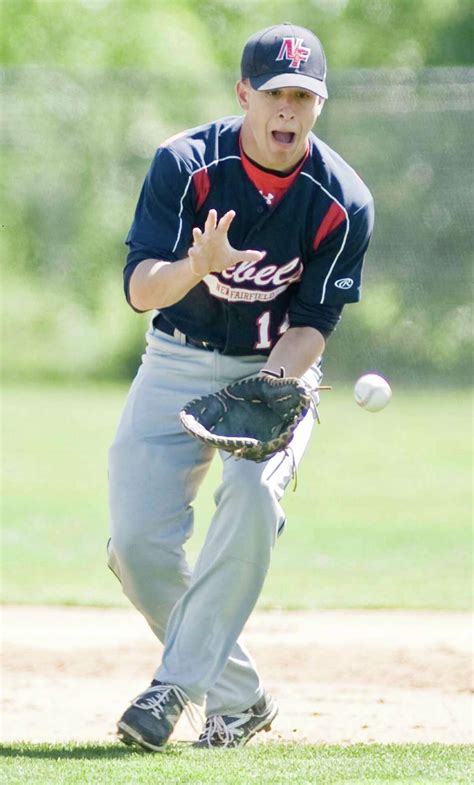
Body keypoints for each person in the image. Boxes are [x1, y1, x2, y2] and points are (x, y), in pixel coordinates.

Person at [108, 22, 374, 750]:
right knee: (134, 545)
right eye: (275, 94)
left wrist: (270, 387)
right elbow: (139, 290)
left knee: (253, 497)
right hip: (176, 359)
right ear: (243, 94)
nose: (288, 110)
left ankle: (173, 690)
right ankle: (242, 696)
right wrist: (196, 266)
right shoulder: (187, 164)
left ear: (319, 105)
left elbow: (315, 320)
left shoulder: (341, 200)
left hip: (275, 367)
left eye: (303, 96)